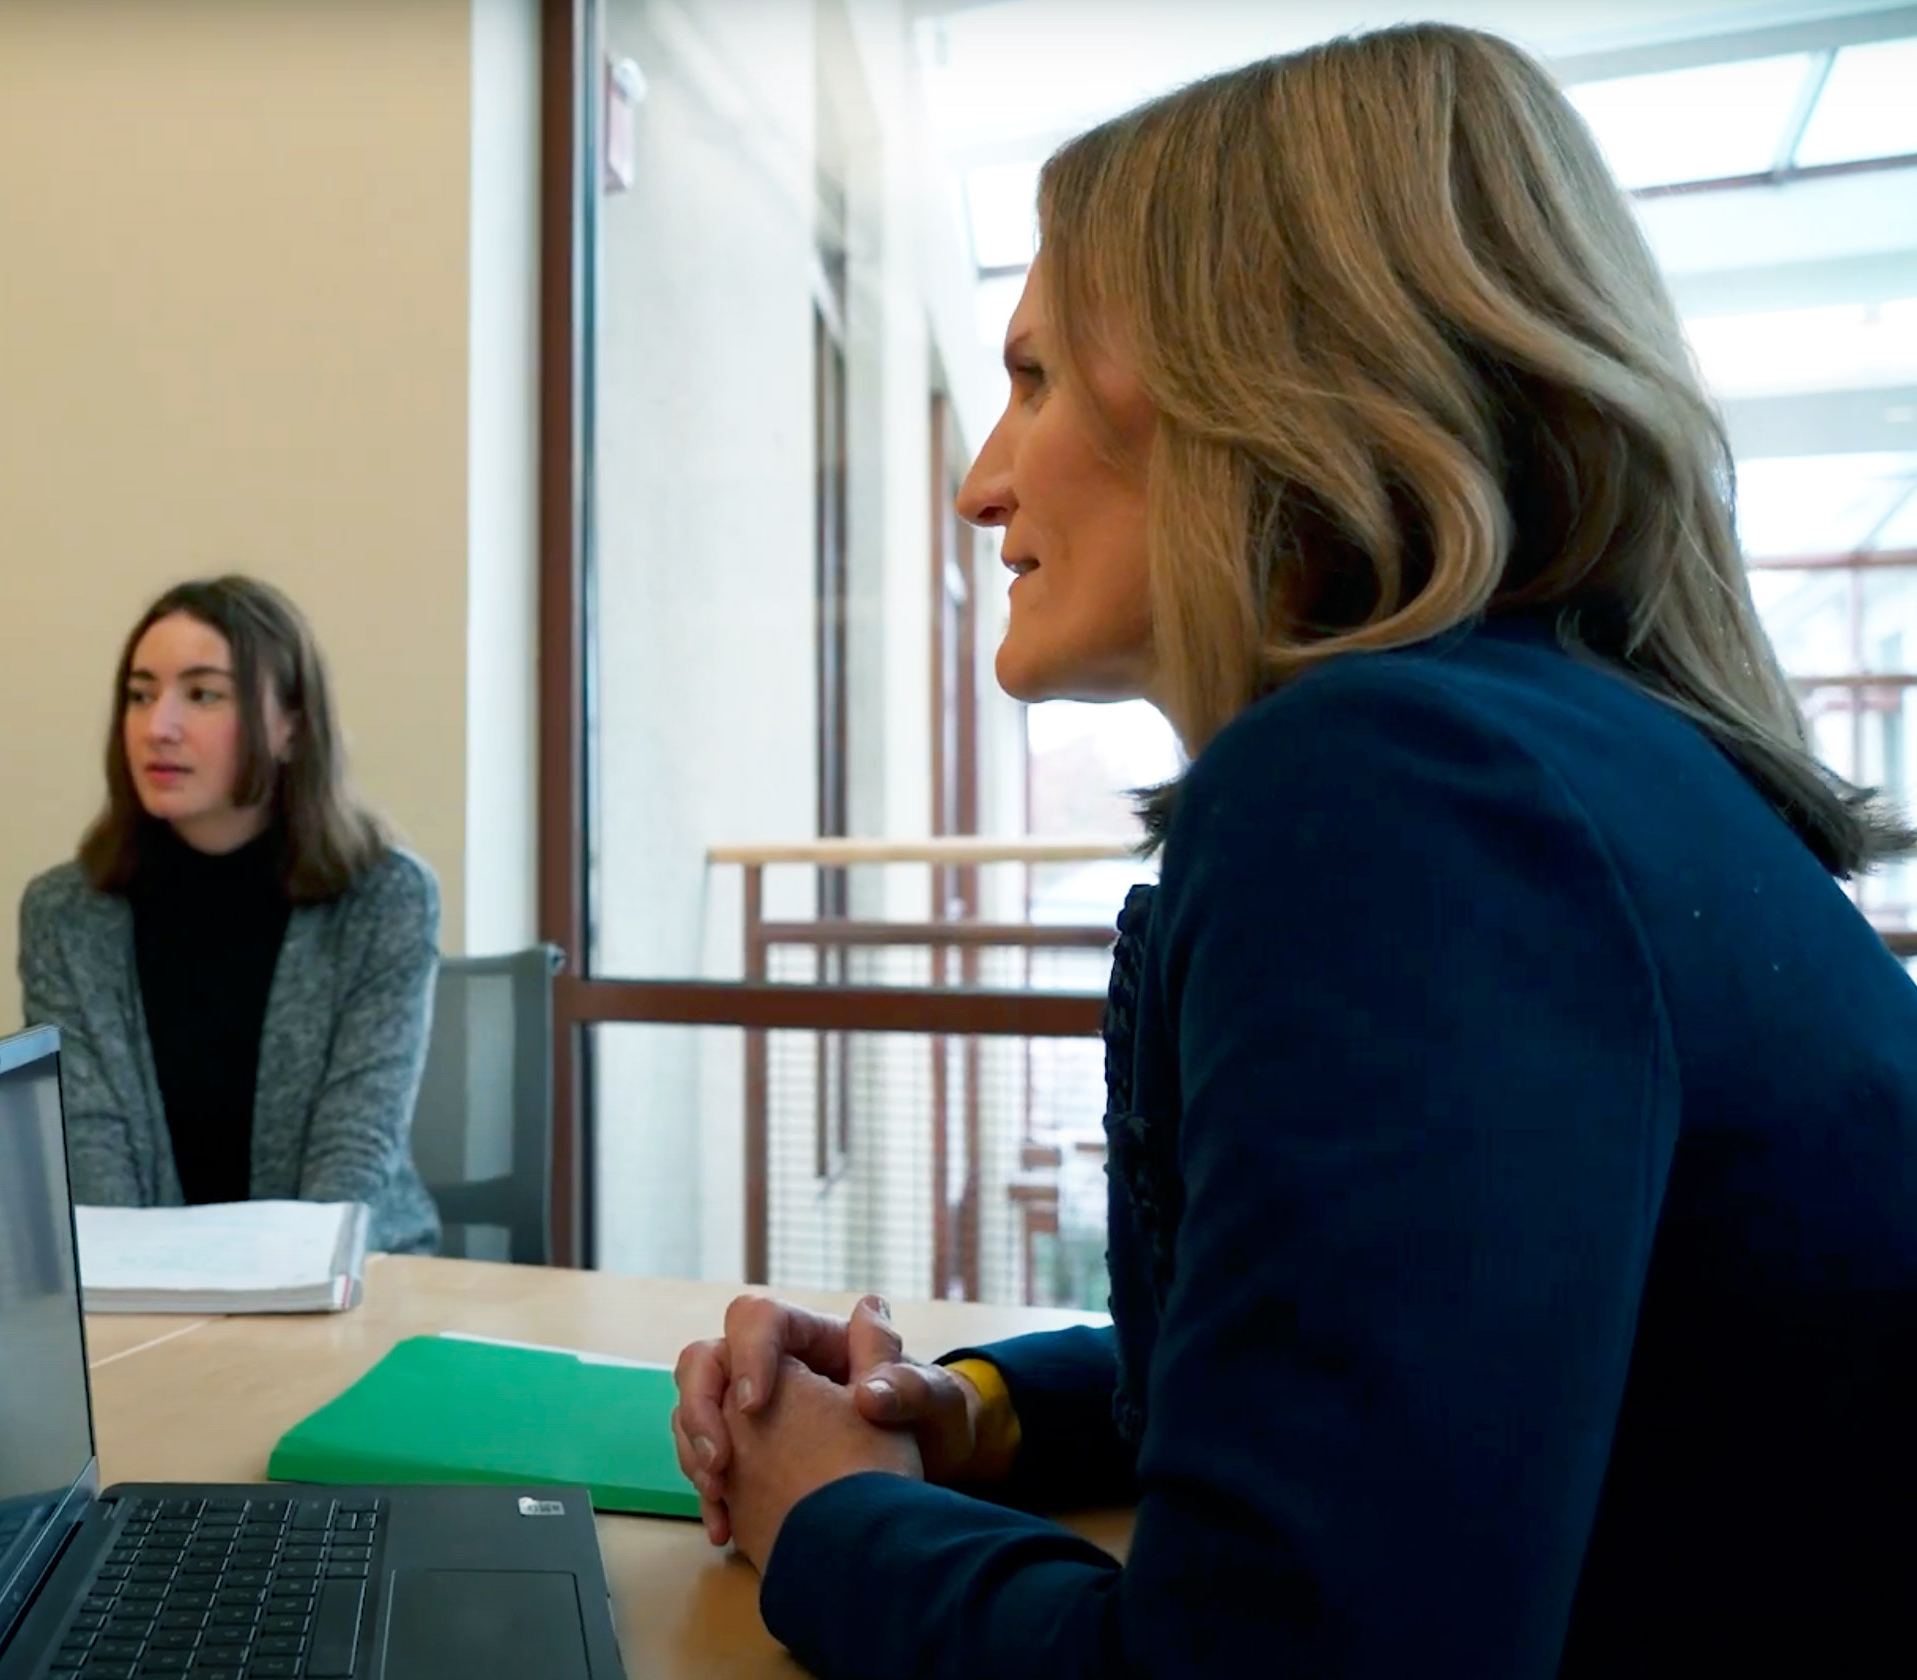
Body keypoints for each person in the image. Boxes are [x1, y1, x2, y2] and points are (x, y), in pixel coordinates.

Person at [667, 24, 1917, 1677]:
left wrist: (821, 1513)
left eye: (1032, 379)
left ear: (1239, 385)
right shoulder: (1558, 762)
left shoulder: (1389, 789)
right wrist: (960, 1413)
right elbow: (1396, 1372)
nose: (980, 482)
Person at [18, 576, 440, 1254]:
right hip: (147, 1292)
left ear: (291, 725)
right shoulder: (67, 913)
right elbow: (91, 1156)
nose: (159, 726)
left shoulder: (385, 899)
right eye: (140, 694)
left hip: (347, 1278)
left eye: (203, 693)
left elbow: (355, 1152)